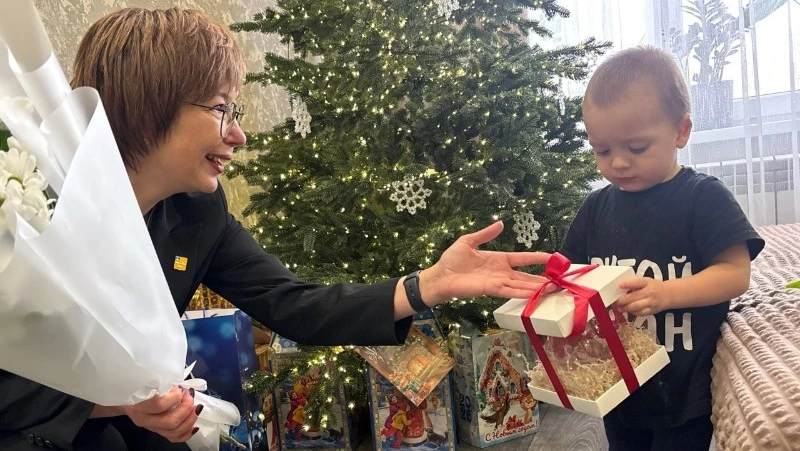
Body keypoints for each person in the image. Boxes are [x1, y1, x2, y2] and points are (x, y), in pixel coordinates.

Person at [0, 7, 552, 451]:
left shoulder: (199, 213)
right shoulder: (27, 206)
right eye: (221, 108)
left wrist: (428, 284)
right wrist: (114, 402)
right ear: (150, 104)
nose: (238, 135)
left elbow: (292, 303)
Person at [559, 46, 764, 451]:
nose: (618, 163)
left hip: (684, 391)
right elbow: (569, 274)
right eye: (602, 150)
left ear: (681, 131)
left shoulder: (702, 198)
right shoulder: (596, 208)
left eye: (636, 148)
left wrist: (666, 293)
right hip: (617, 388)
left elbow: (735, 273)